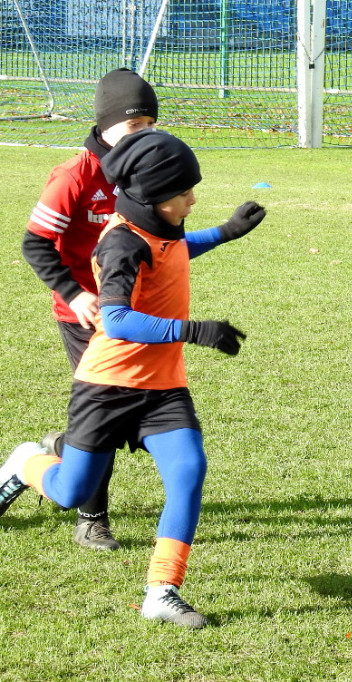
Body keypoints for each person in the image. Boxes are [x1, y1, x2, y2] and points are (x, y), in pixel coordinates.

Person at [0, 128, 266, 628]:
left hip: (162, 387)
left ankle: (161, 591)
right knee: (71, 493)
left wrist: (226, 232)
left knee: (188, 472)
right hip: (107, 387)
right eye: (184, 191)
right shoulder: (121, 244)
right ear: (150, 196)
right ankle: (25, 462)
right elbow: (116, 321)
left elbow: (178, 249)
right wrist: (195, 330)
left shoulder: (158, 229)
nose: (193, 198)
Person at [19, 67, 159, 550]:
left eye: (149, 126)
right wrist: (75, 294)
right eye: (132, 126)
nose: (142, 135)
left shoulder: (150, 170)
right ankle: (91, 517)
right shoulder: (74, 175)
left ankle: (64, 448)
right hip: (84, 314)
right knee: (105, 410)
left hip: (134, 311)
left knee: (126, 413)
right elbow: (36, 244)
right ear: (105, 126)